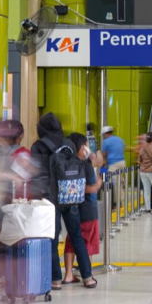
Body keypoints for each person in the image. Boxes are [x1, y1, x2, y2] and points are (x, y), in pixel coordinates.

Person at [30, 113, 97, 290]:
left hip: (50, 199)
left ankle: (56, 280)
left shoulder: (39, 146)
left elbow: (35, 173)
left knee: (52, 239)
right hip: (71, 197)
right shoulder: (68, 144)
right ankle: (88, 277)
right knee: (77, 237)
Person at [62, 133, 103, 285]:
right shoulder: (85, 165)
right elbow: (88, 188)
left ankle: (68, 275)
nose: (87, 148)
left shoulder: (68, 163)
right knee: (88, 242)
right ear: (80, 147)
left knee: (71, 241)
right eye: (85, 145)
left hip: (72, 209)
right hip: (88, 209)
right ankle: (87, 274)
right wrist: (97, 184)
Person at [101, 125, 126, 207]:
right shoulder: (120, 140)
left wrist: (102, 162)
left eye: (103, 135)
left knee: (114, 183)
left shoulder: (106, 141)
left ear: (105, 133)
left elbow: (103, 154)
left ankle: (116, 203)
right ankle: (120, 201)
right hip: (122, 162)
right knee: (120, 183)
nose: (103, 137)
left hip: (113, 164)